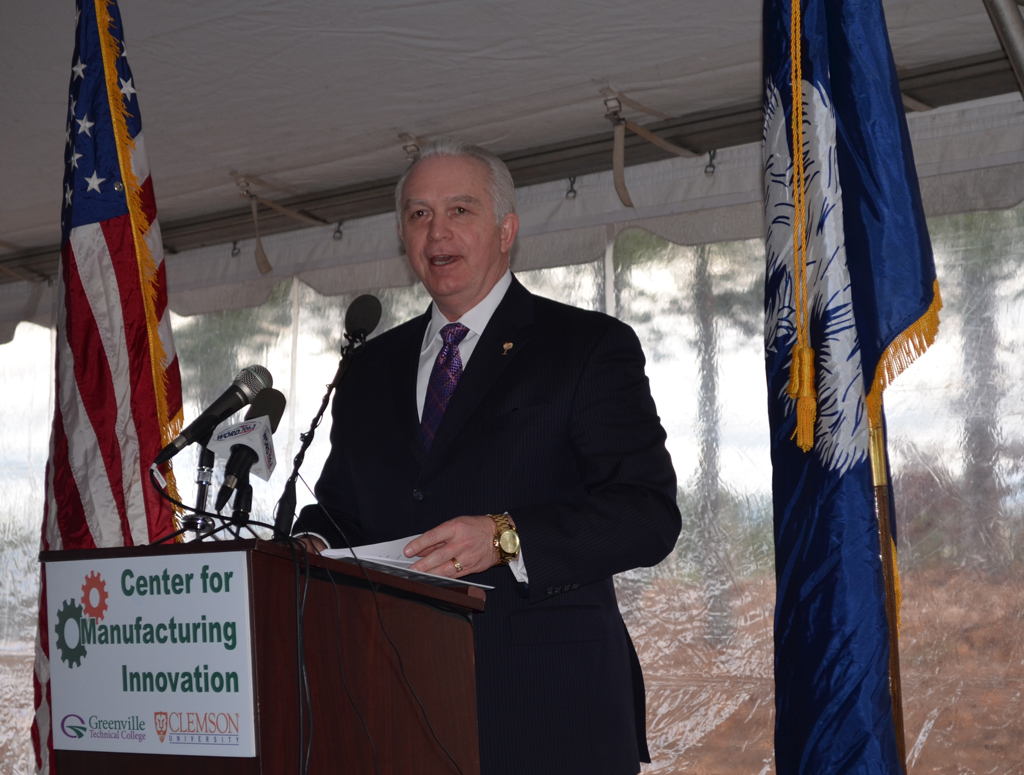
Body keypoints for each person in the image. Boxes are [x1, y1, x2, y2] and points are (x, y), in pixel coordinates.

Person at [293, 138, 680, 774]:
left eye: (460, 210)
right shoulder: (369, 369)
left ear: (506, 231)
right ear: (403, 237)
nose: (437, 232)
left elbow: (647, 514)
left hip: (549, 709)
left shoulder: (585, 346)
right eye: (419, 214)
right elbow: (342, 511)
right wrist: (310, 541)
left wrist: (505, 537)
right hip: (397, 704)